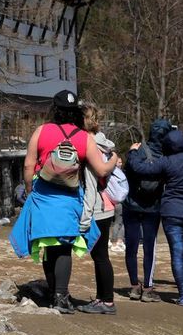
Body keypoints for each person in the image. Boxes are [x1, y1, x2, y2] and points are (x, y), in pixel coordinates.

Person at [10, 90, 117, 314]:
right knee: (64, 248)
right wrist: (115, 158)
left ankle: (53, 294)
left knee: (49, 247)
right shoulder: (83, 137)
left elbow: (29, 166)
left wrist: (30, 190)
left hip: (43, 196)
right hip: (69, 199)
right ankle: (61, 295)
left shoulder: (41, 131)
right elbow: (101, 169)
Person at [127, 128, 183, 306]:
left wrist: (133, 152)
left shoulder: (166, 162)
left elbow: (139, 168)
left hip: (172, 211)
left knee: (177, 253)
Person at [76, 103, 125, 315]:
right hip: (107, 205)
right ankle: (102, 298)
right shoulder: (104, 142)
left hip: (97, 207)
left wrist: (84, 220)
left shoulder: (90, 146)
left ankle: (106, 301)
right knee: (101, 255)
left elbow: (89, 185)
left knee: (101, 256)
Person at [122, 119, 171, 302]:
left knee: (132, 247)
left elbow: (128, 171)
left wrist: (132, 153)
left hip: (132, 204)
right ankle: (148, 288)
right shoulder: (167, 156)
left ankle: (134, 286)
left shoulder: (137, 150)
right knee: (150, 248)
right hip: (153, 207)